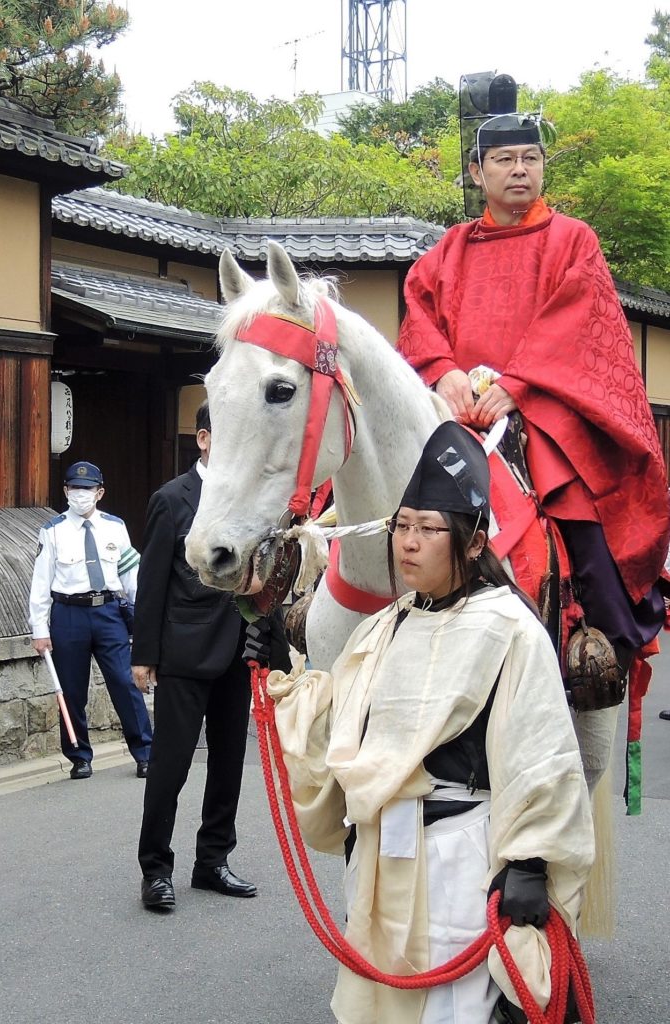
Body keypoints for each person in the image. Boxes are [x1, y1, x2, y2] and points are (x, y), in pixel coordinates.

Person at [259, 421, 594, 1024]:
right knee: (383, 1003)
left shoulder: (510, 628)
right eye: (401, 526)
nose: (407, 543)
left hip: (458, 852)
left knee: (451, 1007)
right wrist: (278, 672)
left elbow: (542, 756)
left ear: (470, 542)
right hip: (382, 853)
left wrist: (530, 864)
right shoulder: (385, 626)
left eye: (426, 529)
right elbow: (342, 726)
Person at [396, 108, 669, 787]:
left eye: (530, 159)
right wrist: (445, 370)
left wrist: (516, 385)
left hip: (547, 421)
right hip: (456, 422)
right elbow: (417, 314)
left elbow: (582, 324)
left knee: (591, 545)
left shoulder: (573, 239)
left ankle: (595, 663)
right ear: (476, 172)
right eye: (504, 160)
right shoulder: (446, 252)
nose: (519, 170)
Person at [132, 401, 289, 912]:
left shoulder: (251, 499)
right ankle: (155, 869)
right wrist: (143, 654)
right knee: (170, 767)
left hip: (239, 648)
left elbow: (265, 573)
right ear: (203, 439)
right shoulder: (172, 499)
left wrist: (273, 644)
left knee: (229, 764)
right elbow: (152, 580)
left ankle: (212, 861)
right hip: (183, 649)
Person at [29, 461, 153, 779]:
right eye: (74, 488)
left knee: (125, 684)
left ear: (100, 492)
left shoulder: (115, 527)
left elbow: (130, 575)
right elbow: (41, 583)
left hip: (109, 612)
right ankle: (79, 756)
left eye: (86, 489)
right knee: (71, 690)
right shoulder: (52, 530)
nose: (80, 494)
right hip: (68, 614)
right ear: (66, 491)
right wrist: (39, 630)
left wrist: (144, 618)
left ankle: (145, 753)